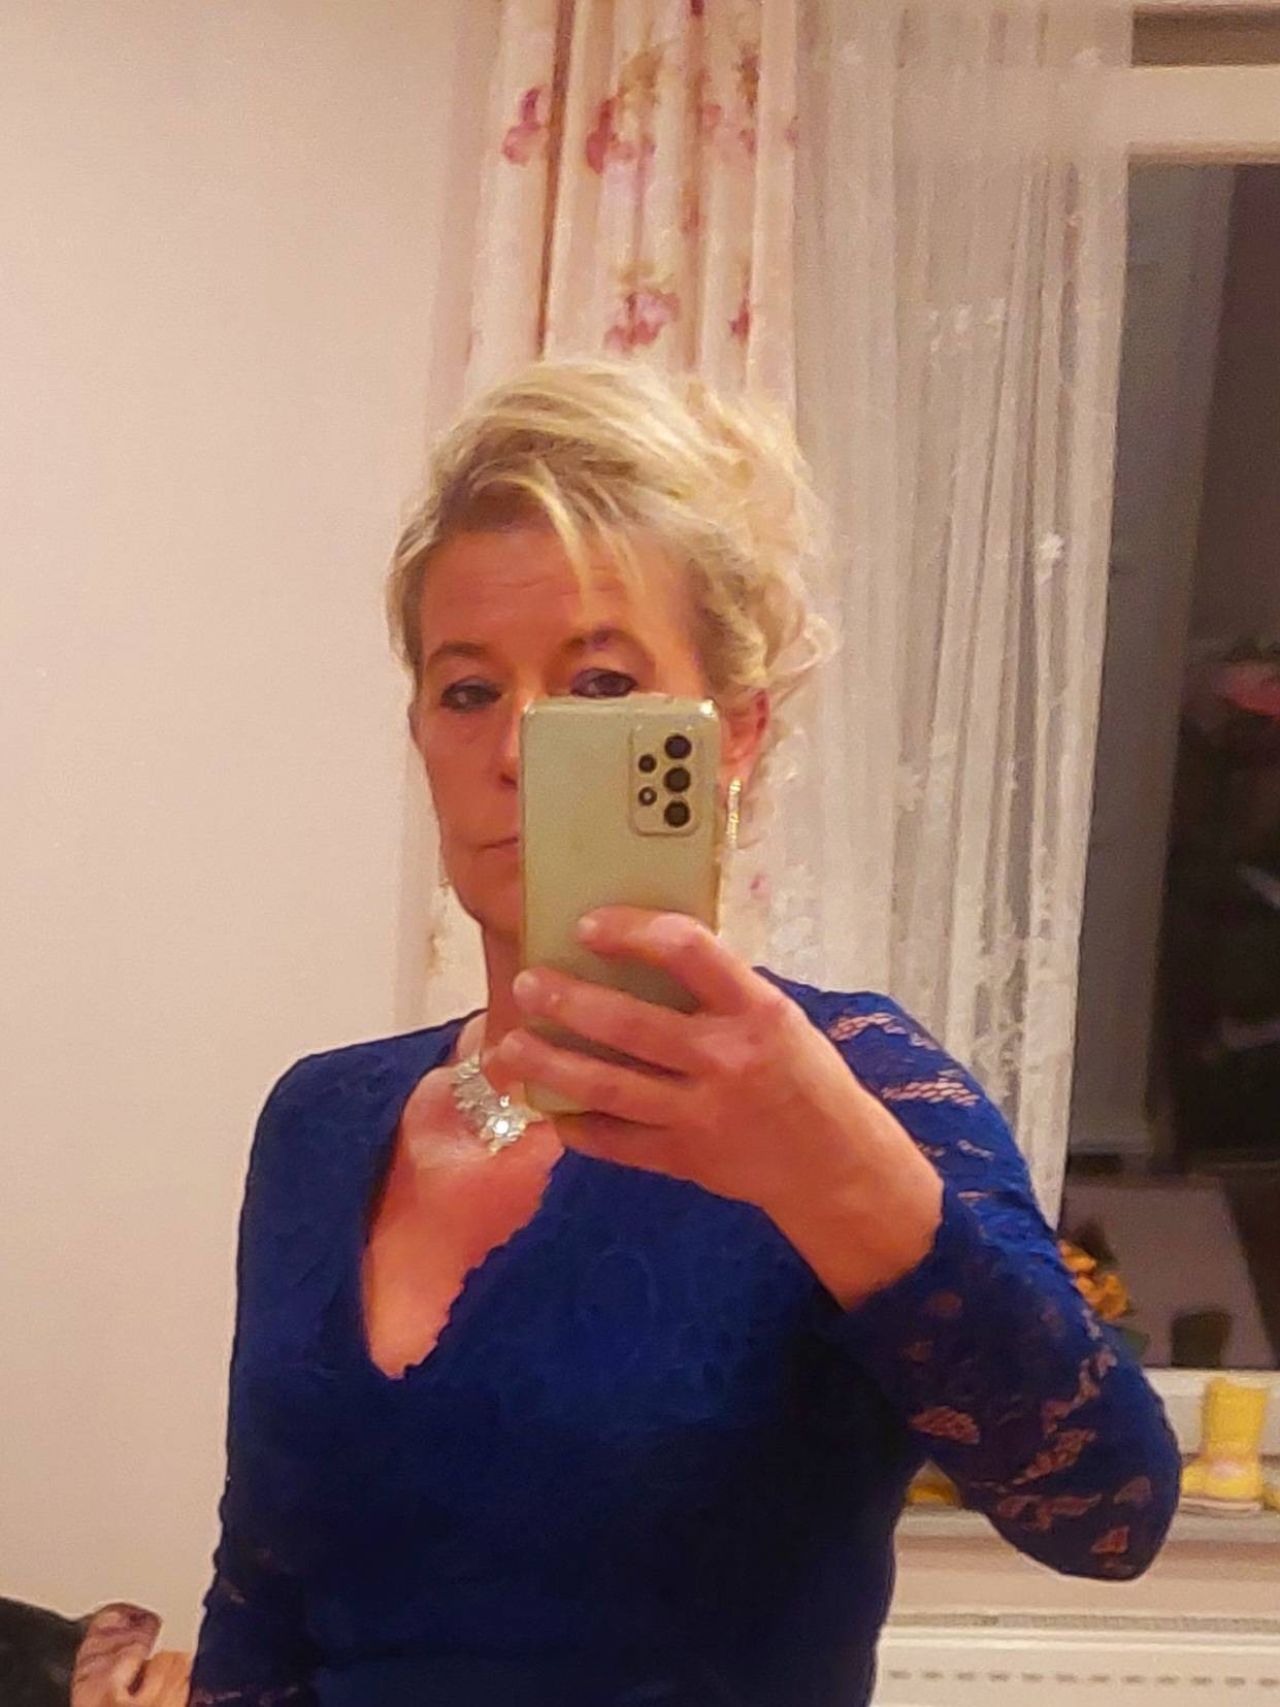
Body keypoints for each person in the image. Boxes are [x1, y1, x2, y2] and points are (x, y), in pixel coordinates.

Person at [190, 359, 1179, 1707]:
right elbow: (259, 1599)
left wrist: (826, 1168)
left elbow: (1109, 1514)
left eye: (600, 689)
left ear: (732, 738)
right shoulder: (322, 1119)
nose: (519, 751)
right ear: (420, 730)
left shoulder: (857, 1085)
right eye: (469, 691)